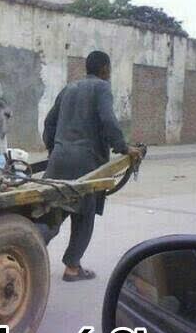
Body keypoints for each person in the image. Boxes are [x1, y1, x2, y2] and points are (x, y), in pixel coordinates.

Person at [38, 50, 142, 282]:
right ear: (105, 69)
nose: (109, 73)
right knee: (84, 215)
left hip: (58, 161)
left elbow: (49, 122)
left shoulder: (69, 88)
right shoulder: (102, 88)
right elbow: (108, 120)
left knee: (53, 212)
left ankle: (26, 248)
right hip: (86, 163)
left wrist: (54, 150)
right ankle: (72, 268)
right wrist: (123, 147)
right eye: (109, 69)